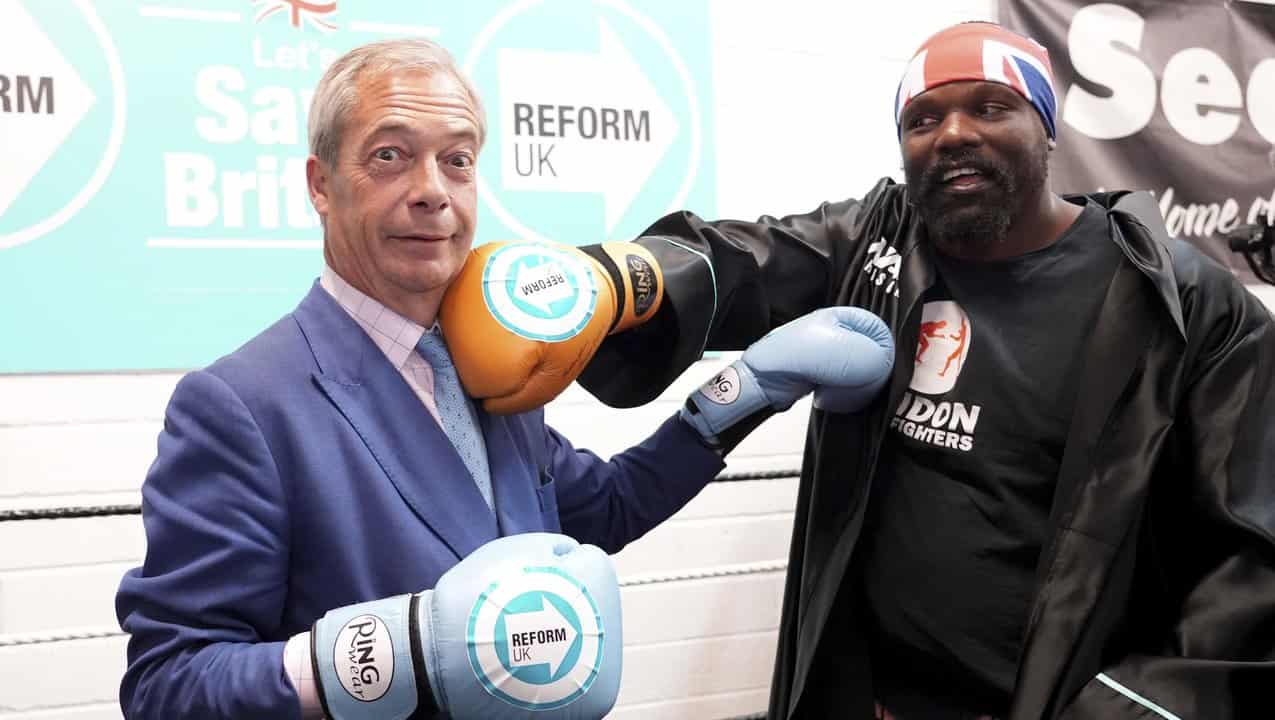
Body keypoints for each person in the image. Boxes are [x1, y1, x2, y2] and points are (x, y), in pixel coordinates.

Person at [113, 39, 895, 720]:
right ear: (322, 184)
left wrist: (744, 391)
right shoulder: (241, 405)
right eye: (389, 155)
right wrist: (392, 652)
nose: (431, 190)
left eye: (455, 159)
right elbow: (170, 683)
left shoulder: (485, 360)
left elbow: (600, 509)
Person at [572, 21, 1275, 720]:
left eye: (990, 107)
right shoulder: (873, 243)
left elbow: (1253, 562)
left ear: (1047, 127)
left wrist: (1125, 709)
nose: (953, 133)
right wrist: (595, 284)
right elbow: (734, 259)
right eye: (923, 118)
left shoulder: (1183, 305)